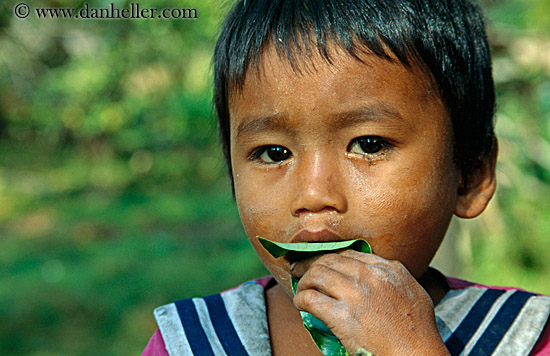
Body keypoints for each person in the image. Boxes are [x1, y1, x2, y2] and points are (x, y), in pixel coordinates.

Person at [142, 0, 550, 355]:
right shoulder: (193, 342)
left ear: (471, 174)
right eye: (273, 153)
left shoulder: (522, 335)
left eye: (369, 145)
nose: (314, 195)